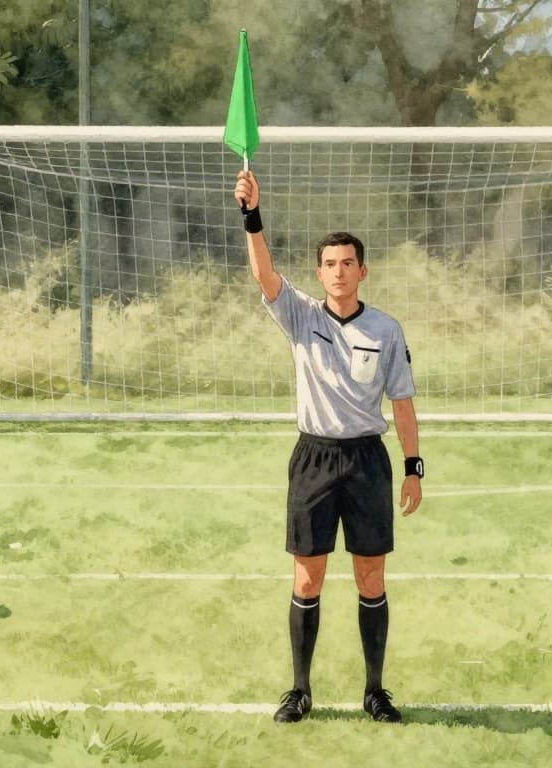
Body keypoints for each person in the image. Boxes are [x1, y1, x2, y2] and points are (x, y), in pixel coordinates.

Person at [234, 170, 424, 723]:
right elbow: (264, 273)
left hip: (367, 461)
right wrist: (252, 216)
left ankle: (375, 691)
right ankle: (300, 690)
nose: (339, 272)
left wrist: (414, 468)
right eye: (329, 264)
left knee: (370, 575)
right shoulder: (300, 316)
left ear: (362, 271)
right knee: (307, 576)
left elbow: (404, 404)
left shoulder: (386, 330)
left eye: (348, 263)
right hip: (313, 459)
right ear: (318, 273)